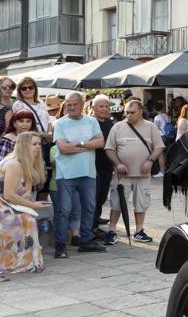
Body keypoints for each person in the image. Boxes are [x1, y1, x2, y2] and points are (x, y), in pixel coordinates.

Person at [0, 132, 48, 274]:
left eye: (39, 144)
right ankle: (13, 260)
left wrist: (28, 204)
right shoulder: (14, 163)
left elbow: (26, 193)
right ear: (24, 146)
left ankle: (22, 258)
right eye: (34, 144)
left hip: (0, 201)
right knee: (23, 219)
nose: (38, 147)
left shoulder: (27, 162)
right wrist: (34, 206)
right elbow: (9, 195)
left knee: (28, 218)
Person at [52, 92, 107, 258]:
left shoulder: (92, 121)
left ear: (82, 104)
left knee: (89, 208)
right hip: (65, 174)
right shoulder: (60, 123)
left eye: (74, 104)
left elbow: (101, 142)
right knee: (64, 211)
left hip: (88, 172)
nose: (70, 107)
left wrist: (78, 144)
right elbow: (63, 148)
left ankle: (86, 241)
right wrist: (88, 145)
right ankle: (60, 246)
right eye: (68, 104)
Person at [104, 100, 163, 245]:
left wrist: (150, 160)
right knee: (117, 203)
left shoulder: (150, 126)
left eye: (132, 113)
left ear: (141, 112)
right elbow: (109, 149)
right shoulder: (118, 127)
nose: (128, 115)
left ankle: (139, 231)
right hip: (122, 175)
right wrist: (118, 164)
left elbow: (159, 147)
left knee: (141, 203)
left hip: (143, 174)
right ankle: (112, 230)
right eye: (127, 113)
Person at [90, 95, 115, 234]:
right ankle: (92, 227)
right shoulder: (89, 122)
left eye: (106, 106)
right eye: (101, 106)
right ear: (93, 108)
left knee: (101, 197)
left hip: (107, 166)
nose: (104, 109)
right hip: (94, 166)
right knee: (93, 198)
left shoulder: (109, 122)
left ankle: (96, 220)